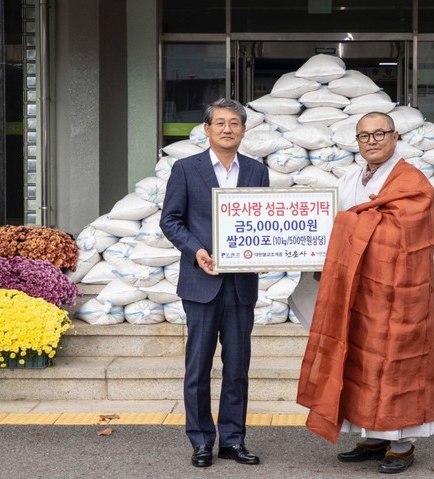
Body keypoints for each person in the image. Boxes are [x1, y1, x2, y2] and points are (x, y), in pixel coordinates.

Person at [297, 111, 434, 474]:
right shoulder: (348, 179)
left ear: (395, 137)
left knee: (394, 362)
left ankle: (402, 444)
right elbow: (333, 225)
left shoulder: (412, 181)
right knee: (359, 360)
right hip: (356, 291)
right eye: (364, 136)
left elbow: (401, 232)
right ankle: (372, 437)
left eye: (380, 133)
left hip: (397, 293)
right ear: (356, 142)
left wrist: (350, 223)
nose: (372, 140)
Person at [160, 98, 270, 468]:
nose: (227, 129)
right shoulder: (186, 169)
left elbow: (263, 223)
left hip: (241, 285)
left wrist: (269, 253)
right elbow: (171, 220)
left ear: (243, 130)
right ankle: (202, 440)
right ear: (206, 129)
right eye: (220, 123)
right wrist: (196, 251)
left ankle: (233, 440)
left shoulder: (256, 171)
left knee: (237, 367)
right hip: (201, 282)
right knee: (199, 366)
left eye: (235, 123)